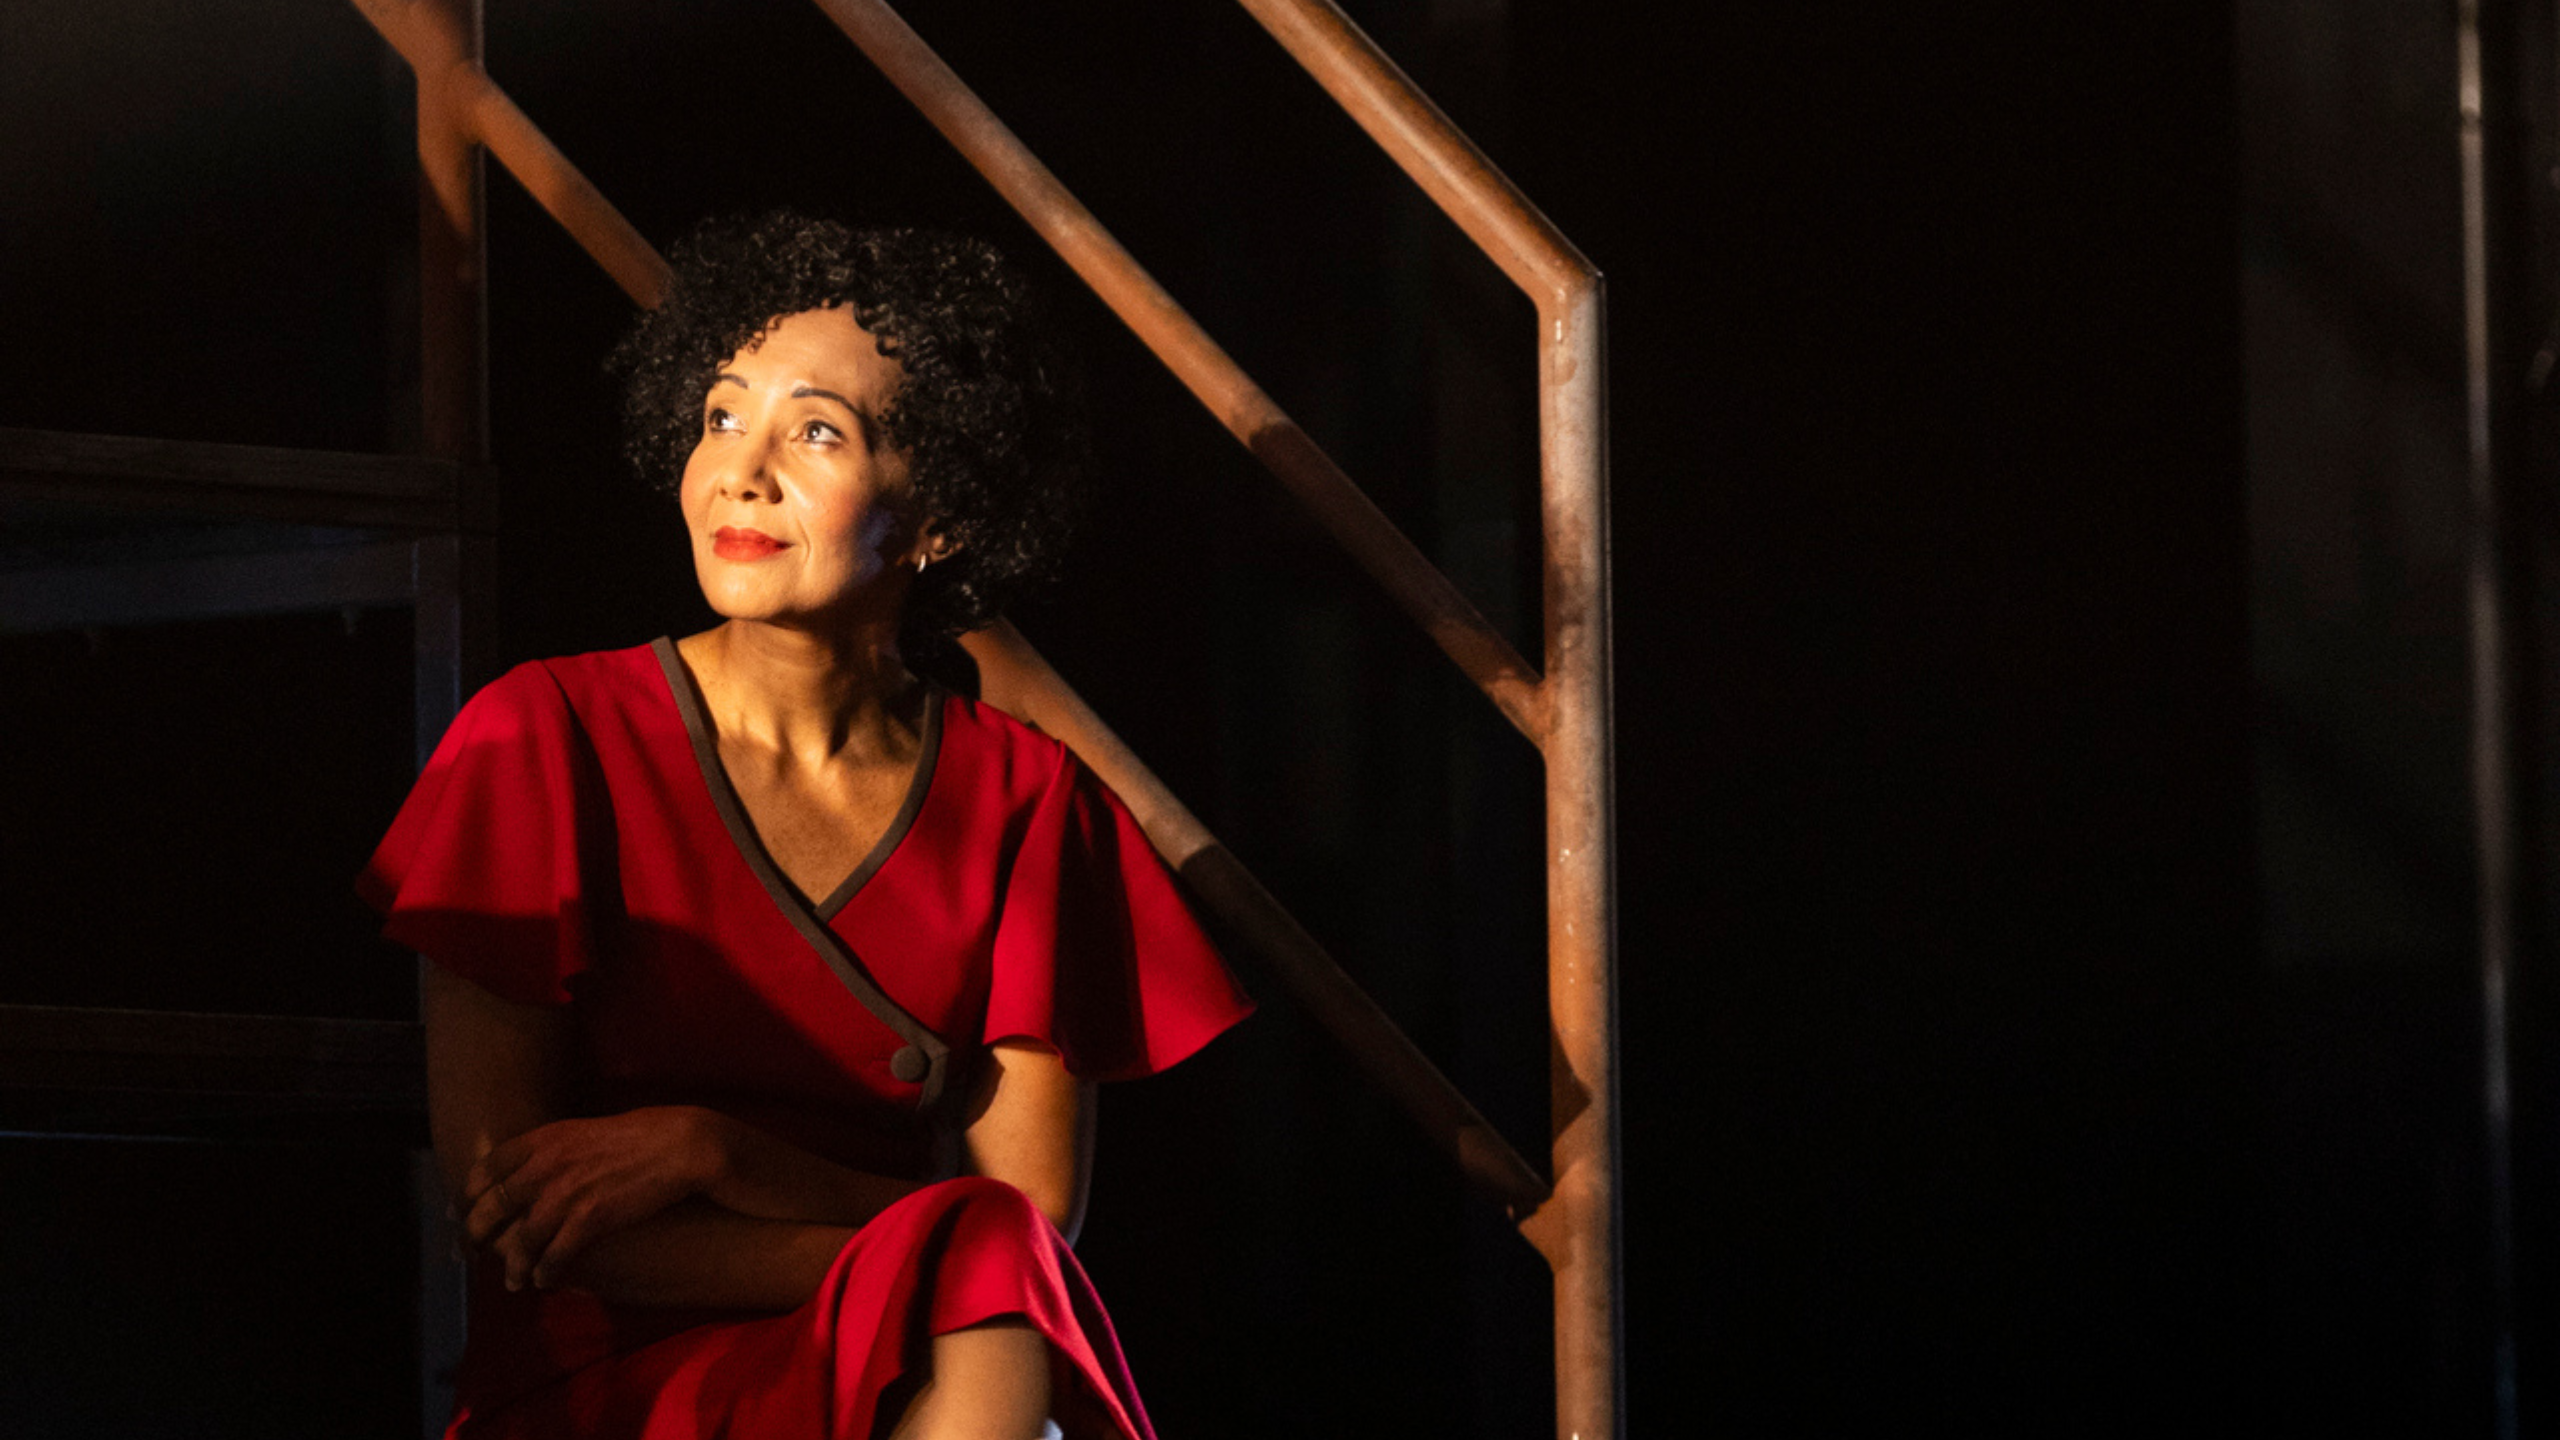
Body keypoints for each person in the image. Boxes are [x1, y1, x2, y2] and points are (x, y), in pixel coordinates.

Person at [359, 211, 1253, 1440]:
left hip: (924, 1344)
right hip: (620, 1381)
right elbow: (514, 1219)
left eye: (818, 432)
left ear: (938, 520)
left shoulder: (1026, 797)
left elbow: (1033, 1218)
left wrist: (716, 1155)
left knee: (989, 1290)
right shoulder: (545, 735)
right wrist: (909, 1264)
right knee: (986, 1294)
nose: (743, 471)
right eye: (722, 417)